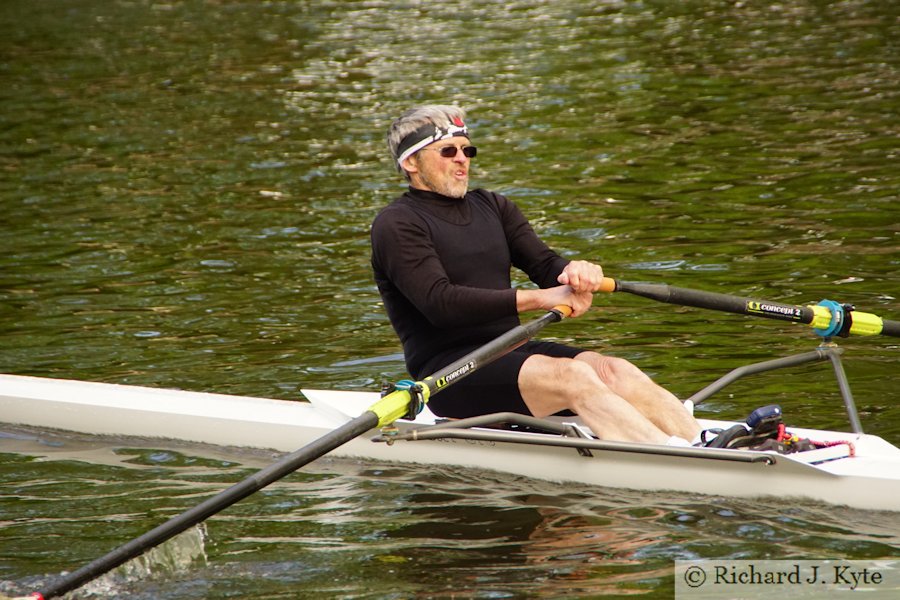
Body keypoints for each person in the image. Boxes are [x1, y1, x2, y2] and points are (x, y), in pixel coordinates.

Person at [371, 105, 701, 445]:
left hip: (514, 354)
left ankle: (704, 441)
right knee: (572, 375)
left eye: (467, 149)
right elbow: (441, 303)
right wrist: (541, 299)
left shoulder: (494, 207)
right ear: (411, 163)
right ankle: (678, 458)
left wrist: (575, 273)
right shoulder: (397, 224)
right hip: (450, 373)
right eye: (448, 151)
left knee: (612, 370)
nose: (462, 159)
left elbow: (545, 266)